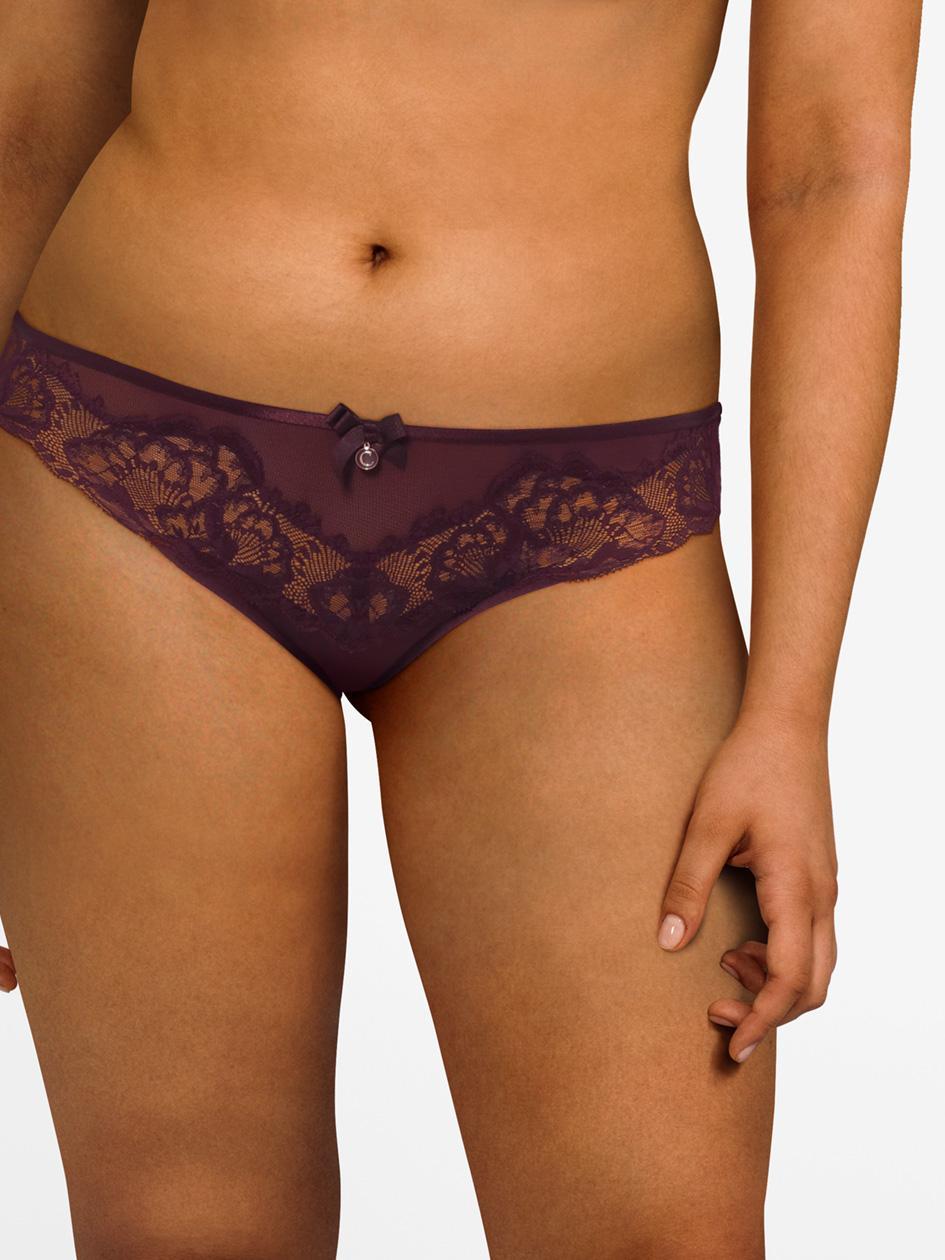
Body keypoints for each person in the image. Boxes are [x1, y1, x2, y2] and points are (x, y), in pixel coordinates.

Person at [0, 2, 922, 1257]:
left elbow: (833, 167)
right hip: (132, 464)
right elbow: (31, 114)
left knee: (662, 1235)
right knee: (184, 1236)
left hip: (588, 526)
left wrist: (792, 709)